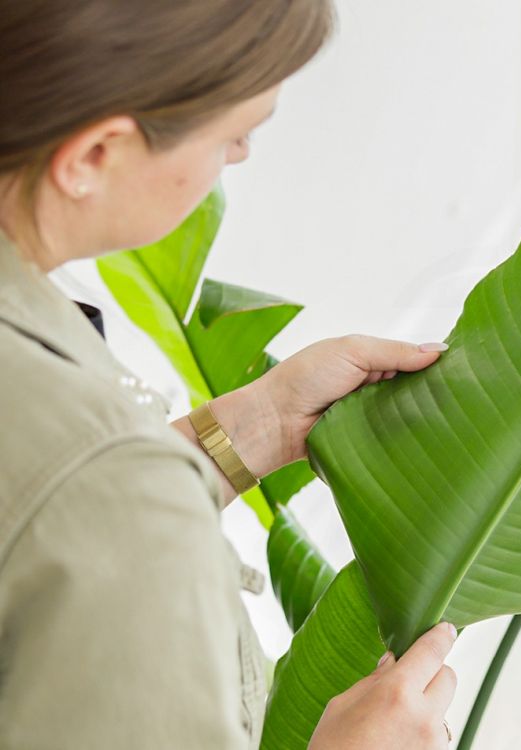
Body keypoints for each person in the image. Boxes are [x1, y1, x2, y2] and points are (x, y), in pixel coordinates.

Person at [0, 1, 458, 748]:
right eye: (234, 134)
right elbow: (80, 494)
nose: (241, 156)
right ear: (91, 157)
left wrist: (262, 424)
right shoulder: (107, 478)